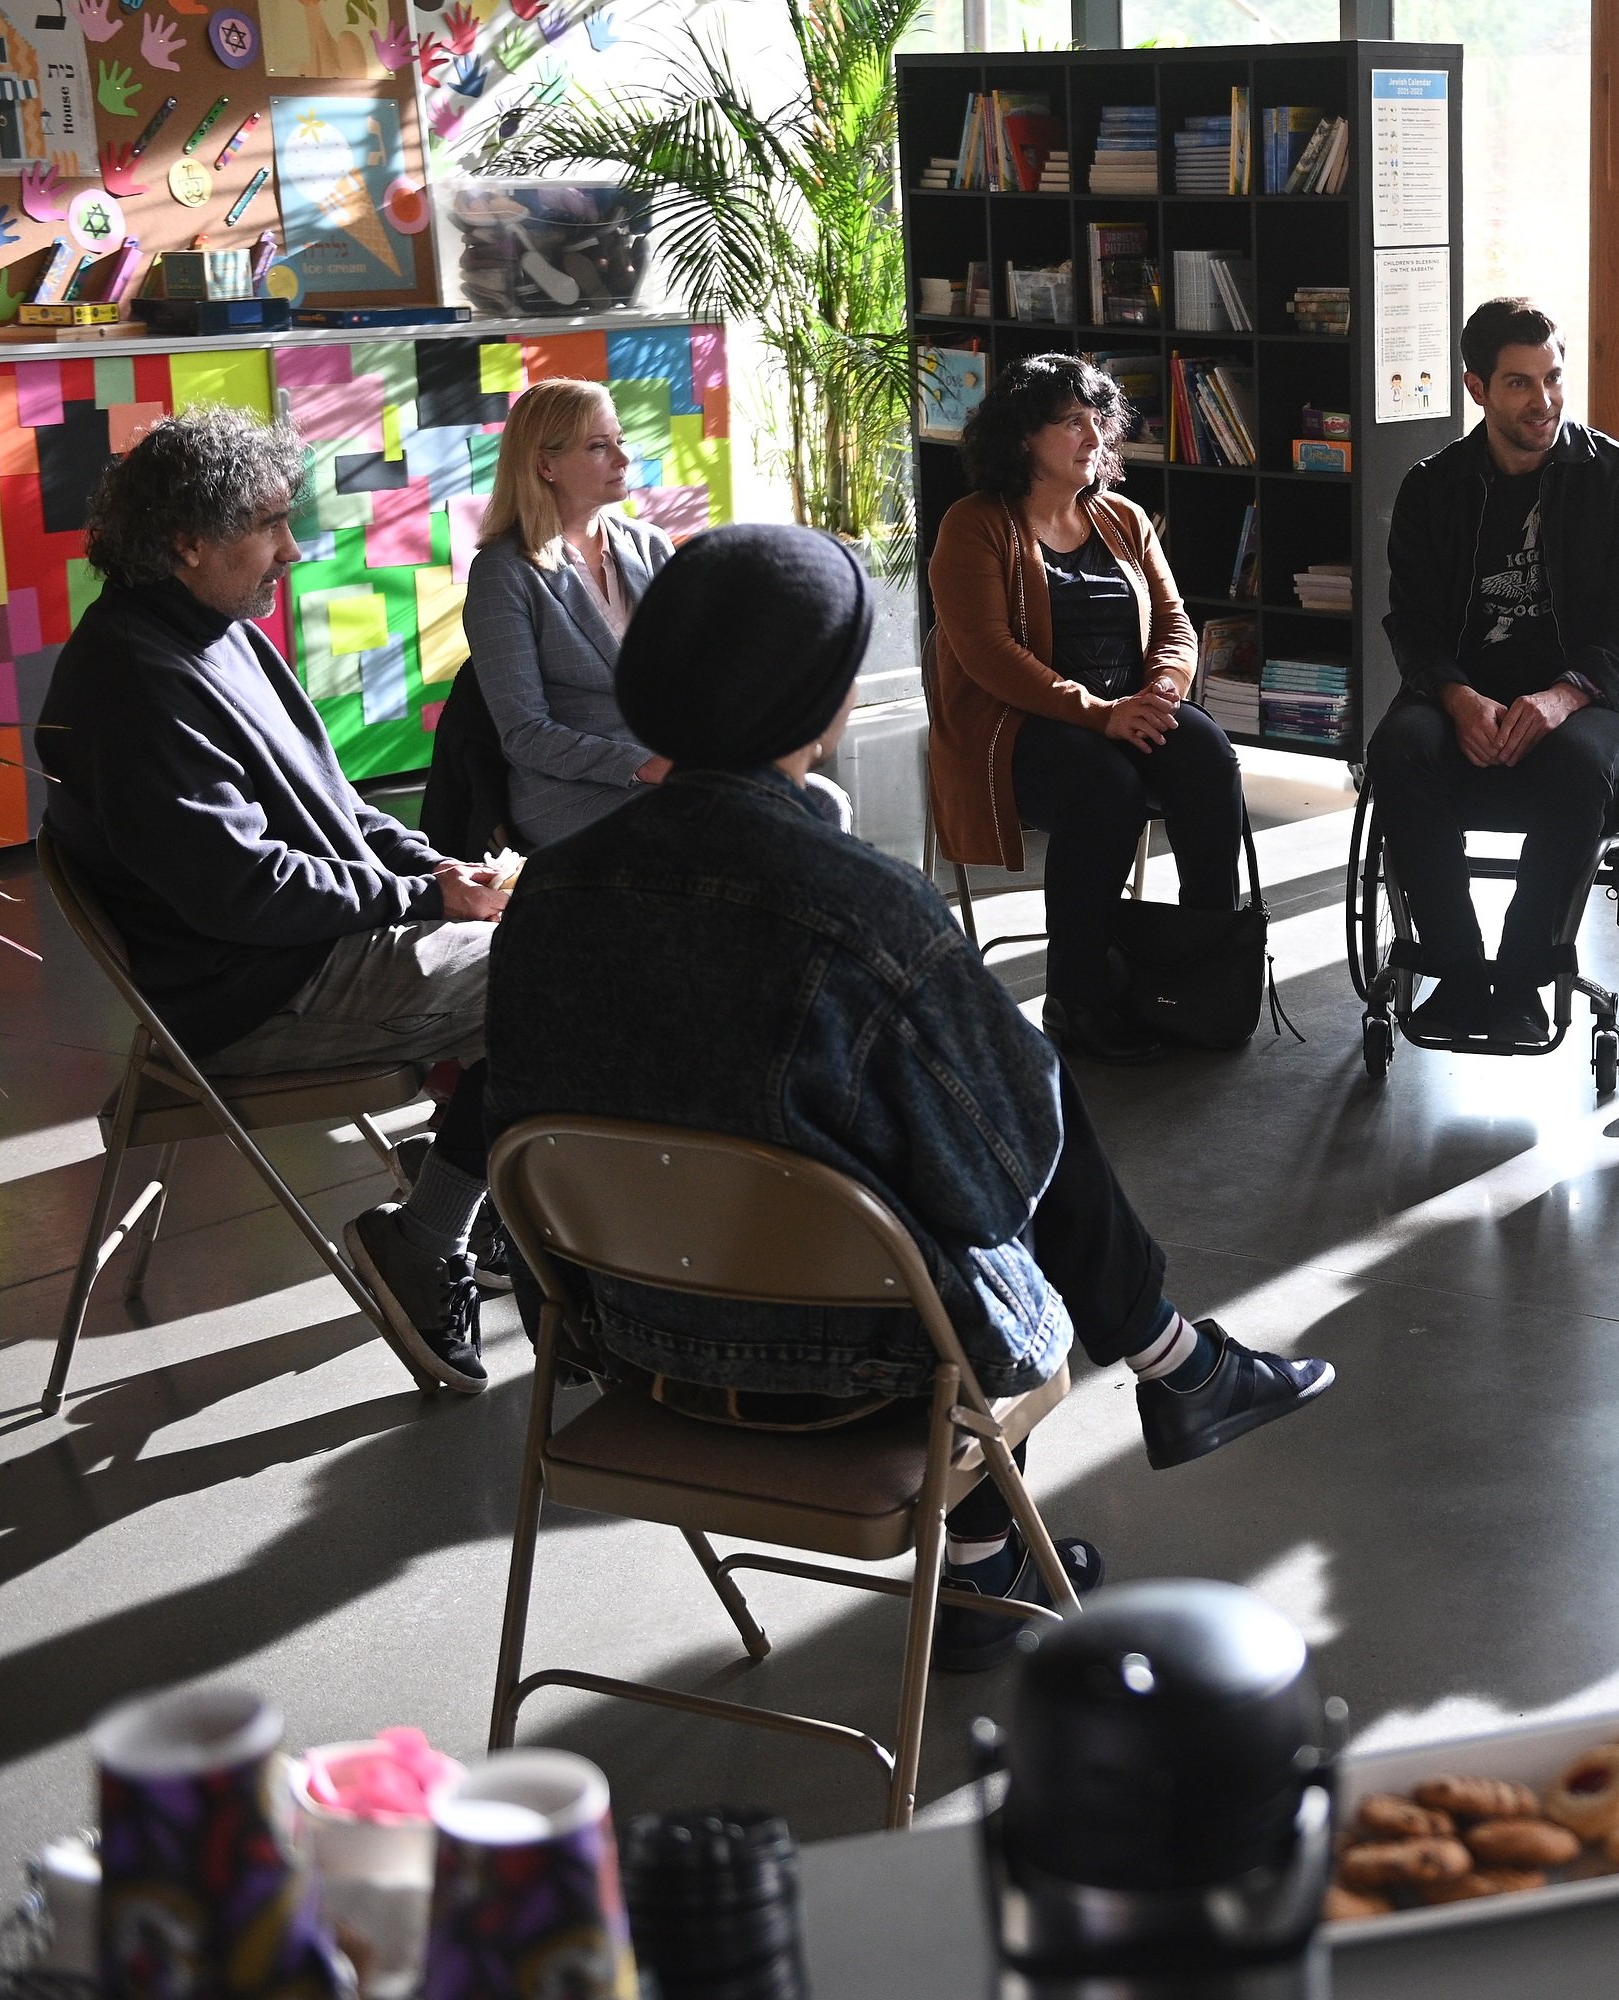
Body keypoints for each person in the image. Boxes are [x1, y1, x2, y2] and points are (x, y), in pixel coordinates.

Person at [486, 523, 1334, 1659]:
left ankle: (1022, 1530)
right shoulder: (858, 909)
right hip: (856, 1368)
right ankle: (1161, 1371)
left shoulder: (551, 893)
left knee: (922, 1106)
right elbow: (1001, 1174)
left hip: (627, 1345)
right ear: (823, 705)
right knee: (986, 1124)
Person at [36, 408, 509, 1394]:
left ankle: (464, 1180)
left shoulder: (215, 630)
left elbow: (338, 809)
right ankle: (429, 1232)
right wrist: (423, 891)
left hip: (306, 953)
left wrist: (440, 868)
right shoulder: (134, 679)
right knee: (561, 975)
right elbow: (241, 888)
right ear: (187, 541)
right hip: (257, 994)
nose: (294, 549)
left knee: (552, 936)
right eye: (271, 525)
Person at [926, 353, 1244, 1065]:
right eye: (1071, 422)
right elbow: (987, 652)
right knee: (1104, 784)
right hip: (1016, 729)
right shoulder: (974, 525)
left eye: (1098, 420)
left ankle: (1201, 968)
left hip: (1124, 712)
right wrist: (1099, 713)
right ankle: (1079, 996)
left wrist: (1163, 689)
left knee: (1208, 757)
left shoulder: (1124, 519)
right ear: (1021, 439)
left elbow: (1174, 623)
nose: (1093, 436)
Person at [1368, 297, 1619, 1041]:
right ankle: (1461, 970)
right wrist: (1457, 696)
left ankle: (1523, 977)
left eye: (1553, 378)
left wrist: (1566, 695)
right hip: (1461, 692)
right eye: (1519, 384)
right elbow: (1411, 620)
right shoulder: (1431, 488)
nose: (1545, 402)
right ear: (1476, 387)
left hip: (1588, 697)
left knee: (1577, 767)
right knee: (1396, 752)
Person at [458, 379, 677, 849]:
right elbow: (525, 733)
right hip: (569, 793)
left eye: (619, 440)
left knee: (817, 799)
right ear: (545, 465)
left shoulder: (651, 546)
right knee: (705, 824)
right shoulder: (503, 573)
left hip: (675, 770)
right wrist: (643, 764)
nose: (622, 458)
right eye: (599, 446)